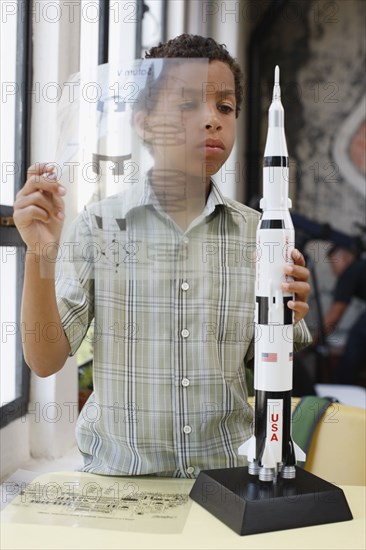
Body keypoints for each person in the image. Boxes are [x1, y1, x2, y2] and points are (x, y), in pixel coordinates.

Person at [13, 34, 311, 477]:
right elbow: (45, 360)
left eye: (225, 107)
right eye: (188, 103)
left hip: (227, 479)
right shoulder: (100, 226)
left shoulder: (258, 232)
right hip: (120, 484)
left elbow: (270, 356)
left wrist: (289, 311)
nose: (211, 119)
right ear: (144, 122)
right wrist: (39, 253)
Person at [323, 244, 366, 384]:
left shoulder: (351, 270)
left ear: (343, 259)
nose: (333, 272)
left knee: (356, 338)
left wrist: (315, 339)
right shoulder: (360, 267)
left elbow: (336, 313)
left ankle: (342, 387)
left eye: (332, 265)